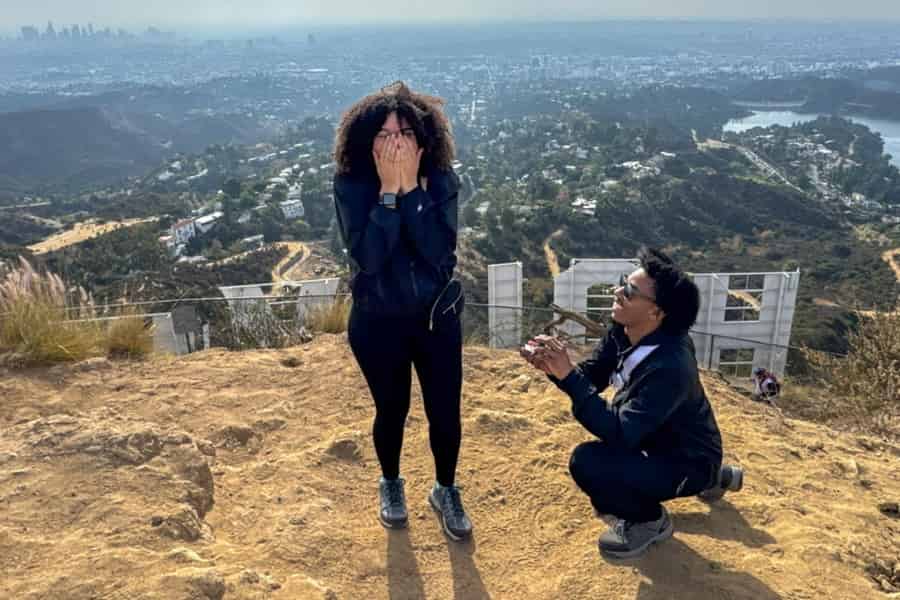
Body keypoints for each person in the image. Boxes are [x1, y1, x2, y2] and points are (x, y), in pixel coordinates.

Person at [521, 247, 742, 560]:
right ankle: (714, 478)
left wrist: (569, 376)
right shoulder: (625, 331)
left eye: (629, 290)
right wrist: (554, 367)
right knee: (633, 454)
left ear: (657, 312)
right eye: (622, 282)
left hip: (685, 457)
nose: (617, 291)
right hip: (660, 438)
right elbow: (593, 377)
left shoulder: (670, 365)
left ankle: (650, 521)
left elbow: (619, 433)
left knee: (588, 463)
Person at [333, 82, 472, 540]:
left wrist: (411, 190)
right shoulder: (351, 186)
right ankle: (390, 482)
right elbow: (369, 258)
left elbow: (437, 253)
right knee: (391, 409)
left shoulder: (443, 181)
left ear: (424, 138)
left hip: (436, 319)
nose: (395, 143)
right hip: (377, 321)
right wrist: (389, 193)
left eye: (405, 133)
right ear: (364, 140)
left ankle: (445, 488)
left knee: (445, 412)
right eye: (384, 134)